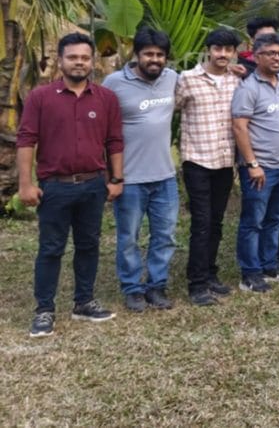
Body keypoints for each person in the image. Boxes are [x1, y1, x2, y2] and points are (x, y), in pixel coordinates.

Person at [20, 33, 123, 337]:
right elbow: (26, 140)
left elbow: (114, 141)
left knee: (89, 245)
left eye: (85, 58)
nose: (79, 62)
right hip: (55, 187)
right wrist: (25, 184)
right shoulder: (41, 97)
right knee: (51, 249)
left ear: (93, 61)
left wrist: (117, 179)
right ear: (61, 60)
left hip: (93, 186)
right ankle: (44, 310)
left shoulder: (106, 98)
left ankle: (84, 302)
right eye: (73, 57)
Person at [102, 28, 180, 313]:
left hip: (165, 176)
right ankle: (132, 288)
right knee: (128, 238)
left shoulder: (172, 78)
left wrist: (234, 69)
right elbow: (102, 131)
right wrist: (111, 176)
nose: (154, 59)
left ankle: (156, 286)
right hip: (130, 178)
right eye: (148, 54)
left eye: (160, 55)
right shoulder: (114, 83)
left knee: (165, 236)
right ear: (137, 54)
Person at [232, 32, 279, 291]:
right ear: (256, 56)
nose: (277, 58)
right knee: (253, 222)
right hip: (260, 169)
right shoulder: (248, 89)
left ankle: (268, 265)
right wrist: (252, 164)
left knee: (275, 219)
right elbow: (239, 127)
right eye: (270, 53)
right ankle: (250, 273)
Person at [175, 28, 242, 307]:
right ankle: (197, 284)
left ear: (234, 52)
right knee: (201, 223)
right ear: (208, 50)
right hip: (197, 160)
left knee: (216, 221)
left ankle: (211, 273)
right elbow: (171, 108)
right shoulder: (187, 79)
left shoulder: (236, 80)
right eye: (218, 48)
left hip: (225, 161)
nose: (222, 54)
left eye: (228, 49)